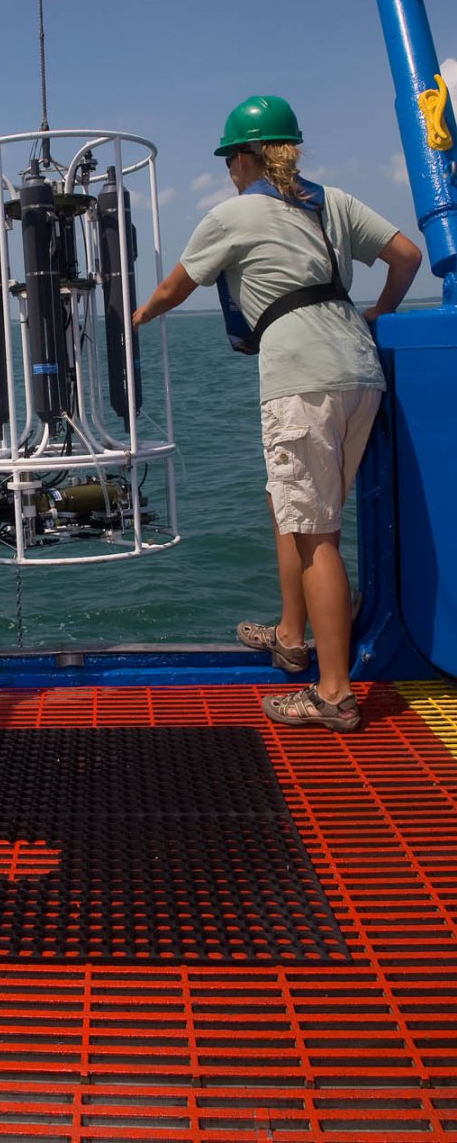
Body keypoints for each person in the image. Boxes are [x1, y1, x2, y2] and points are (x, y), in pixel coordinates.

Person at [132, 95, 421, 732]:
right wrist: (380, 314)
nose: (228, 173)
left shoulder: (233, 213)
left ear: (243, 158)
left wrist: (139, 317)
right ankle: (292, 635)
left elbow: (174, 286)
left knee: (317, 534)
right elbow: (406, 255)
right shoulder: (333, 200)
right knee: (289, 505)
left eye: (229, 161)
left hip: (302, 379)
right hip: (357, 370)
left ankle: (333, 694)